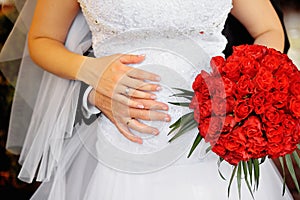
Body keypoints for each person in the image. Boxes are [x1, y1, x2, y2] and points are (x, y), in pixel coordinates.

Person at [0, 0, 295, 199]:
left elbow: (269, 29)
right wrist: (90, 71)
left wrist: (244, 86)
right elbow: (42, 39)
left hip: (215, 145)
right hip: (127, 142)